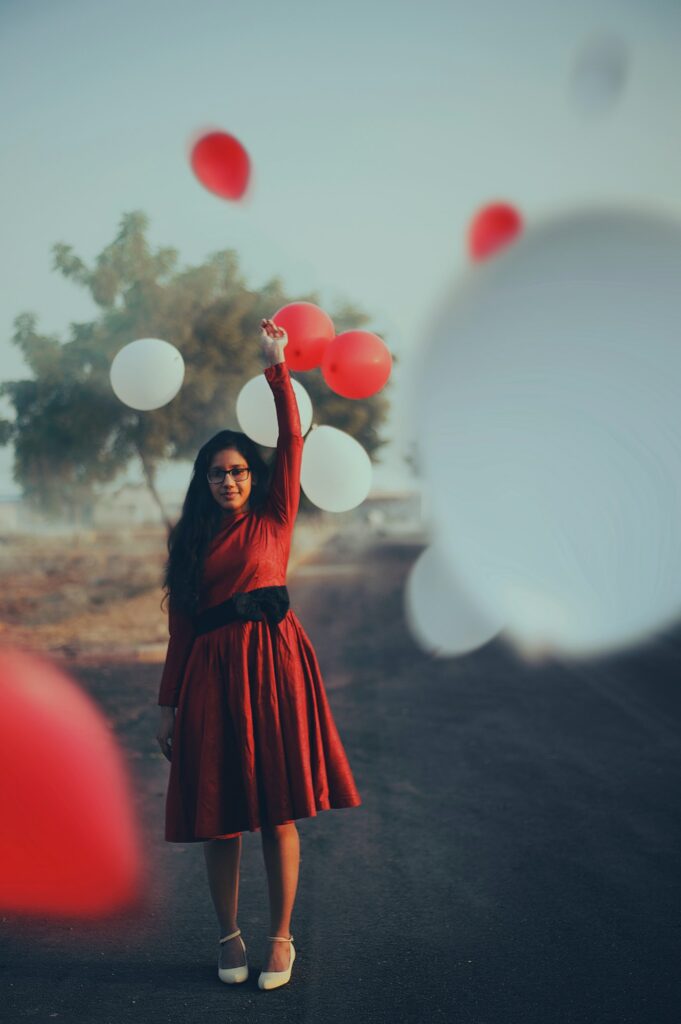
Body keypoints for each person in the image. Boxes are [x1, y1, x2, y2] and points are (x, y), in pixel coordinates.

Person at [155, 317, 362, 991]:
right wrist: (168, 704)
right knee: (220, 817)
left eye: (239, 470)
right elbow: (181, 631)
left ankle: (280, 938)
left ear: (253, 475)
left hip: (275, 668)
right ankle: (227, 934)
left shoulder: (274, 516)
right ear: (203, 480)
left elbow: (292, 441)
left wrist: (278, 368)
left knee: (276, 810)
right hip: (213, 674)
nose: (230, 481)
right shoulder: (188, 545)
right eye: (217, 474)